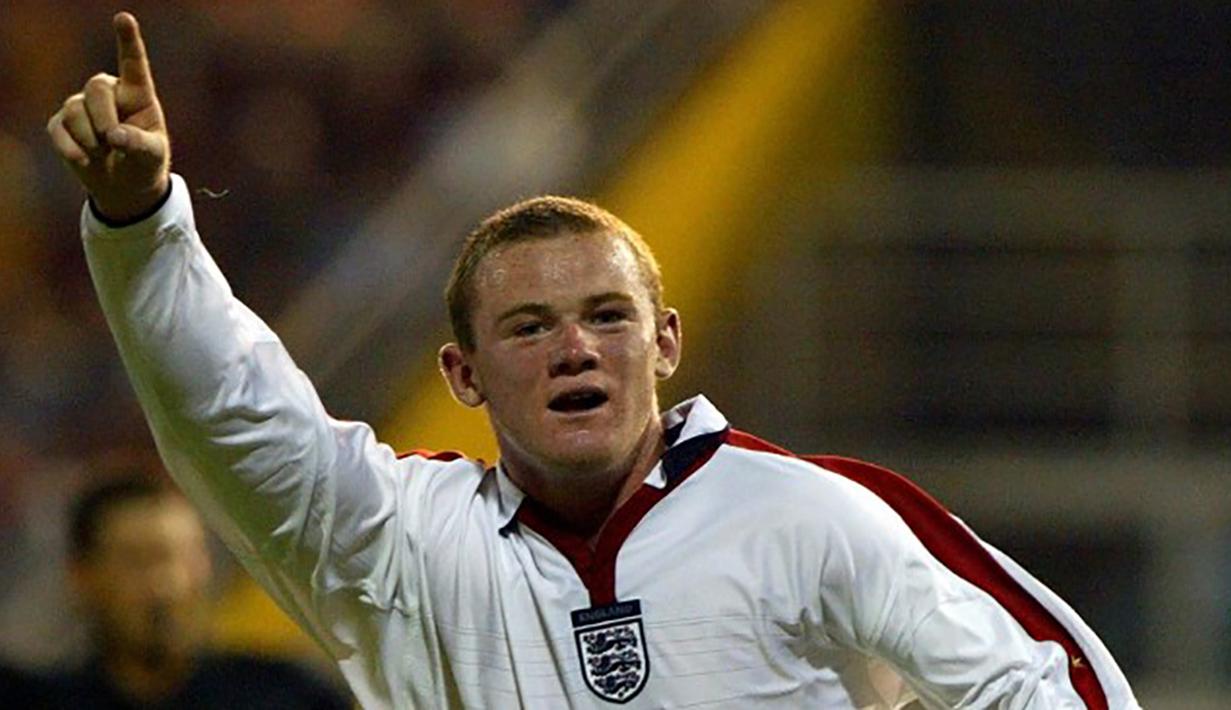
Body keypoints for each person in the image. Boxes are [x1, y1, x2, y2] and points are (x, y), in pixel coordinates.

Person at [48, 12, 1140, 709]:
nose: (576, 345)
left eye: (608, 315)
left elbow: (1037, 677)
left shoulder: (808, 512)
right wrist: (142, 220)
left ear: (663, 341)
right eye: (528, 326)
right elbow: (233, 411)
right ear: (462, 371)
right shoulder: (399, 539)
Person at [46, 474, 352, 709]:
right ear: (82, 575)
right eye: (136, 561)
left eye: (184, 558)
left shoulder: (288, 696)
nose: (166, 586)